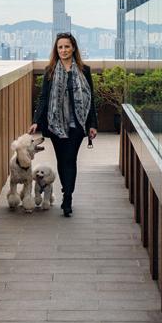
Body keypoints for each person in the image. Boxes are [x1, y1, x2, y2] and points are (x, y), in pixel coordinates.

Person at [30, 32, 97, 217]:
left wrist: (92, 124)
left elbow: (91, 99)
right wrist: (36, 121)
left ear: (73, 48)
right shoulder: (50, 71)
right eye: (60, 47)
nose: (64, 50)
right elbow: (43, 98)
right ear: (56, 49)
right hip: (56, 124)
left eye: (67, 46)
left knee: (70, 160)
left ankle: (68, 196)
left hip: (77, 124)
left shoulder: (84, 70)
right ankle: (66, 191)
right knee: (62, 160)